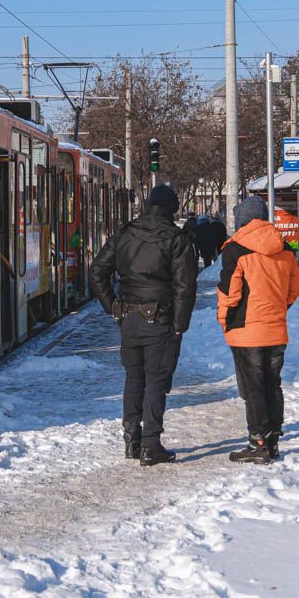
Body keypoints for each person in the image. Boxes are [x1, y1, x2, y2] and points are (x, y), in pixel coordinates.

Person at [90, 185, 197, 466]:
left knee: (133, 378)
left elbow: (97, 271)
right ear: (172, 209)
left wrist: (112, 305)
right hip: (160, 320)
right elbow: (185, 287)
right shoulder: (176, 239)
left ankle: (131, 440)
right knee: (156, 381)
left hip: (128, 318)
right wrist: (179, 324)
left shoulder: (125, 233)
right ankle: (151, 444)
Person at [216, 196, 299, 464]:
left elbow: (230, 294)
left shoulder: (235, 249)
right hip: (276, 329)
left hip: (246, 330)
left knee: (252, 388)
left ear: (242, 219)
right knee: (271, 384)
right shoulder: (286, 248)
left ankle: (258, 442)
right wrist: (277, 311)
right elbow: (293, 290)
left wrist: (225, 321)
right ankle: (272, 439)